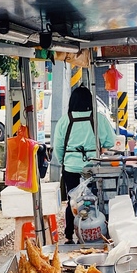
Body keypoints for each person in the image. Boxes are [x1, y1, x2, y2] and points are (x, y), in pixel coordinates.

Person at [54, 86, 116, 245]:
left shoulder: (64, 120)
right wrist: (98, 149)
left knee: (73, 201)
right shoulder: (99, 118)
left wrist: (64, 161)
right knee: (94, 199)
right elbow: (110, 141)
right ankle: (97, 232)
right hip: (93, 167)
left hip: (70, 167)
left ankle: (69, 235)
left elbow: (58, 147)